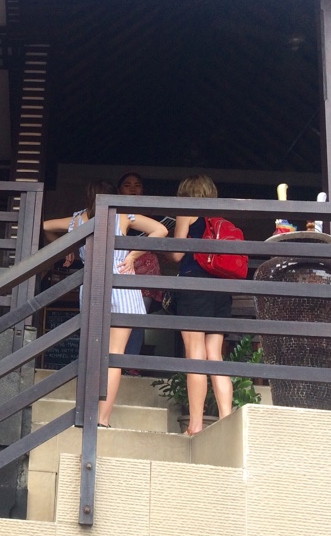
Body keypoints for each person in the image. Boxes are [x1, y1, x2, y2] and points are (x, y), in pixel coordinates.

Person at [43, 179, 168, 428]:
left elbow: (45, 225)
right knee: (115, 356)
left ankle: (87, 413)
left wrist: (68, 249)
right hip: (122, 284)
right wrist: (133, 254)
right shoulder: (123, 214)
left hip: (92, 286)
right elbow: (161, 230)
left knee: (93, 353)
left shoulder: (77, 220)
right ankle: (103, 419)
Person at [168, 174, 234, 435]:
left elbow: (176, 254)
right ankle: (227, 419)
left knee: (195, 354)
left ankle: (195, 425)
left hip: (194, 286)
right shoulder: (220, 218)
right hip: (221, 287)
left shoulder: (186, 212)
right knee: (214, 355)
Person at [116, 172, 163, 360]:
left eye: (137, 185)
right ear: (119, 190)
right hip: (121, 266)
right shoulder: (114, 212)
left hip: (146, 269)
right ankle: (114, 361)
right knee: (117, 316)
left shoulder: (149, 212)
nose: (133, 189)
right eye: (127, 185)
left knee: (138, 316)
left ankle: (131, 364)